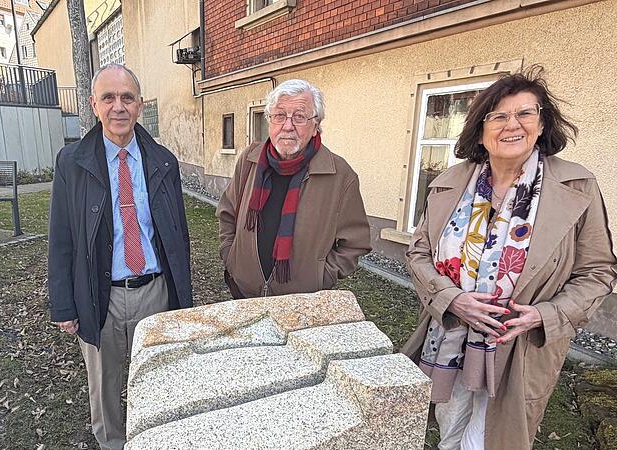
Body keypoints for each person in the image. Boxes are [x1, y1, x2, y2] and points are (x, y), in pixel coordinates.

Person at [401, 66, 617, 450]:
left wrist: (546, 315)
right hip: (450, 336)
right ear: (480, 131)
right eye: (498, 115)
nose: (511, 124)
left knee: (488, 442)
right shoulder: (449, 183)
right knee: (449, 432)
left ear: (542, 123)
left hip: (521, 346)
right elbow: (419, 252)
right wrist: (452, 299)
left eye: (525, 113)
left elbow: (597, 271)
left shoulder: (576, 185)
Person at [47, 63, 193, 450]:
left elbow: (179, 236)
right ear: (94, 104)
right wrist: (64, 304)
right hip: (100, 295)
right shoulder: (71, 162)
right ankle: (113, 444)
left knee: (161, 379)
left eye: (127, 97)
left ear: (140, 105)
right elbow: (60, 238)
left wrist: (182, 299)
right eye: (108, 98)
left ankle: (160, 440)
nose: (118, 107)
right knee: (105, 389)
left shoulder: (163, 161)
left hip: (155, 292)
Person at [216, 79, 371, 298]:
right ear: (270, 121)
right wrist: (232, 257)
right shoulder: (250, 161)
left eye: (299, 116)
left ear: (316, 126)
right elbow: (227, 213)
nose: (287, 126)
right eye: (279, 115)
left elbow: (355, 243)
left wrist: (321, 277)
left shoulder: (340, 175)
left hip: (301, 302)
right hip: (244, 292)